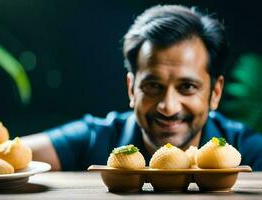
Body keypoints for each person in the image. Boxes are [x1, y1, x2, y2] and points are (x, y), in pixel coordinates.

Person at [22, 4, 262, 171]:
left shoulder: (248, 149)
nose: (168, 107)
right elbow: (3, 155)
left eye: (187, 86)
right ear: (131, 89)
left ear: (215, 92)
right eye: (153, 85)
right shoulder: (96, 139)